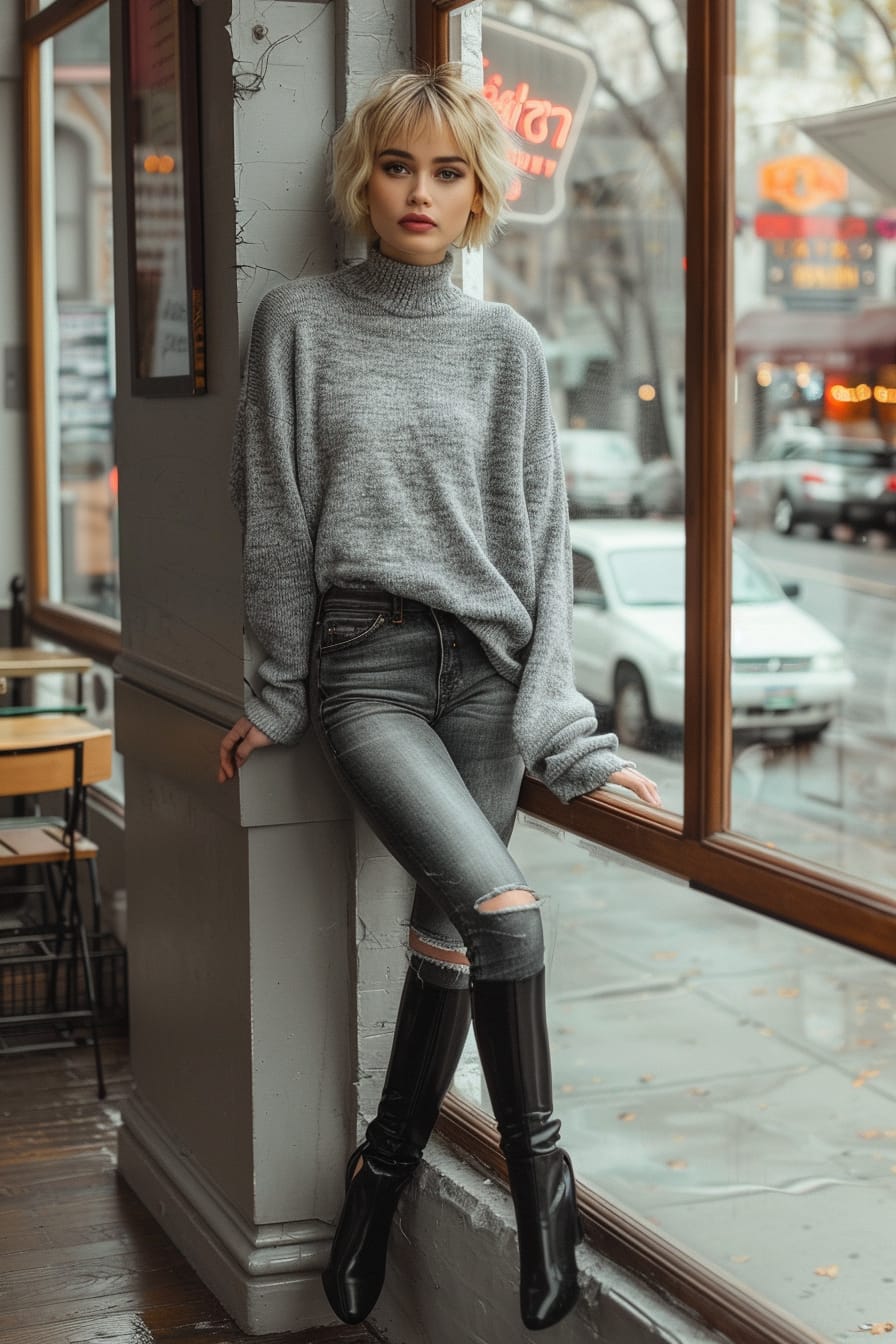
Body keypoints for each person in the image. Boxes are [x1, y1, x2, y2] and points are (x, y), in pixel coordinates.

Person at [218, 65, 662, 1332]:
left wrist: (566, 737)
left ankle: (374, 1184)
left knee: (445, 944)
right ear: (364, 181)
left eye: (448, 170)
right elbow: (271, 519)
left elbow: (541, 547)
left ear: (478, 195)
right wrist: (278, 692)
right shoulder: (295, 321)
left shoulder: (509, 346)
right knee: (506, 923)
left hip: (488, 677)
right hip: (366, 671)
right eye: (400, 165)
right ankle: (543, 1185)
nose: (421, 191)